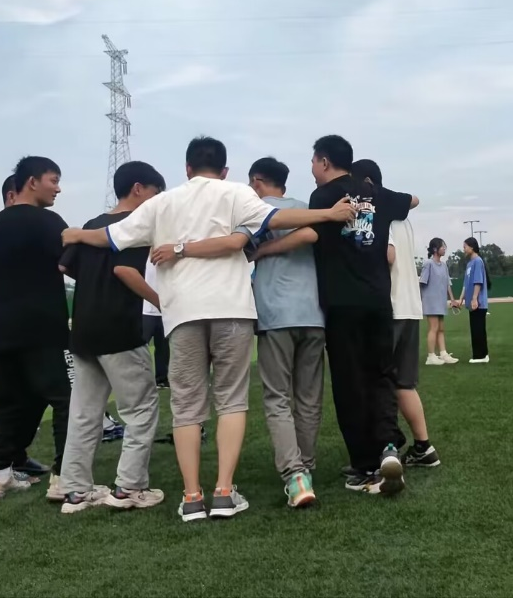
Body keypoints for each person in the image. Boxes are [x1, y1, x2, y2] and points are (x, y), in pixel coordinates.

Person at [62, 136, 357, 520]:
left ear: (187, 168)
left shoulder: (162, 203)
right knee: (231, 400)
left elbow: (111, 236)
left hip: (182, 312)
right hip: (231, 309)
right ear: (225, 169)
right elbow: (276, 218)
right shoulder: (236, 193)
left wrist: (76, 234)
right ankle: (223, 492)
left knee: (186, 405)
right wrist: (328, 214)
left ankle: (191, 497)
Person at [253, 135, 418, 495]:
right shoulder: (376, 193)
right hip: (379, 301)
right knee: (382, 375)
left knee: (350, 383)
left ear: (325, 162)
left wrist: (265, 251)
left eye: (314, 162)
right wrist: (376, 198)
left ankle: (365, 465)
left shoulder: (323, 197)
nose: (312, 169)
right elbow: (413, 200)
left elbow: (311, 234)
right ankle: (388, 447)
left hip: (342, 303)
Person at [58, 161, 166, 514]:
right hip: (119, 328)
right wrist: (163, 303)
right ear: (138, 189)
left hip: (84, 328)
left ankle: (75, 492)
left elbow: (65, 266)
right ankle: (129, 488)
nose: (157, 200)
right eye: (155, 193)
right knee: (140, 410)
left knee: (84, 413)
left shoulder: (91, 225)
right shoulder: (137, 223)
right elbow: (124, 270)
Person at [0, 157, 73, 500]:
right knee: (66, 399)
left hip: (3, 330)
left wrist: (5, 295)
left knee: (5, 403)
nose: (58, 188)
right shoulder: (49, 222)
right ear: (32, 182)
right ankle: (65, 478)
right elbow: (72, 265)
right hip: (45, 328)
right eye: (53, 180)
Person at [244, 156, 326, 508]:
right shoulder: (305, 207)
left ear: (256, 181)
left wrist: (263, 250)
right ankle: (305, 466)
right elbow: (310, 233)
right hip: (313, 314)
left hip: (275, 313)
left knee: (277, 397)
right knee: (308, 397)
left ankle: (296, 475)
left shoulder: (252, 211)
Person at [353, 159, 441, 469]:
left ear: (365, 182)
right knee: (404, 382)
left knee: (377, 382)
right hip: (409, 307)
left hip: (388, 308)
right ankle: (424, 447)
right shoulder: (402, 215)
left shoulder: (378, 211)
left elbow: (387, 255)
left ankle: (383, 450)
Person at [419, 238, 459, 365]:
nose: (444, 249)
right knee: (434, 328)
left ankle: (443, 353)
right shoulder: (428, 264)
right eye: (442, 247)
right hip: (431, 302)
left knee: (441, 328)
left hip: (441, 301)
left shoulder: (444, 265)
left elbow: (448, 284)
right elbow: (422, 282)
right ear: (435, 249)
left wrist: (452, 299)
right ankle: (431, 356)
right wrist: (420, 300)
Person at [459, 237, 491, 364]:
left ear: (471, 247)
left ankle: (481, 355)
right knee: (475, 329)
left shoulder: (478, 261)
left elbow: (478, 281)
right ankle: (479, 355)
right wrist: (460, 299)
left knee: (478, 329)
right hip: (472, 303)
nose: (464, 249)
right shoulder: (469, 264)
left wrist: (474, 299)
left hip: (478, 302)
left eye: (465, 247)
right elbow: (466, 284)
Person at [140, 260, 169, 388]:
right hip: (146, 311)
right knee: (140, 347)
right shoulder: (144, 259)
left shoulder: (167, 259)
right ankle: (140, 379)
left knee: (163, 348)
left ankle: (162, 379)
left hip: (164, 311)